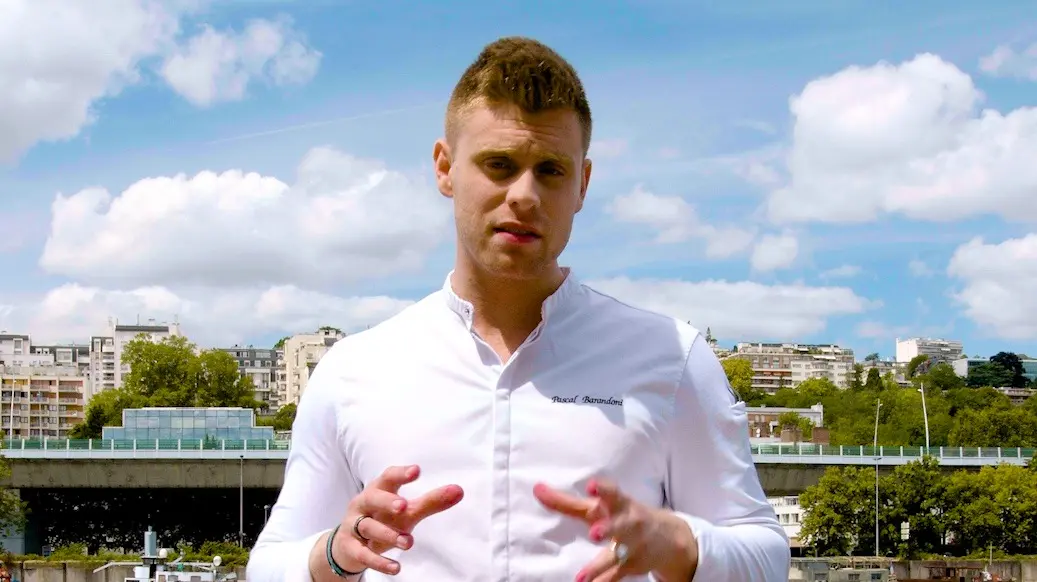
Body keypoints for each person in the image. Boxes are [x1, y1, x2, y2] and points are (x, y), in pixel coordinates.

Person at [246, 36, 790, 582]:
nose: (525, 195)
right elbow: (268, 566)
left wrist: (681, 544)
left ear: (583, 183)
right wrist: (334, 555)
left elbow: (765, 553)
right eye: (499, 165)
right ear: (444, 168)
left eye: (550, 169)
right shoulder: (351, 371)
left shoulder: (673, 359)